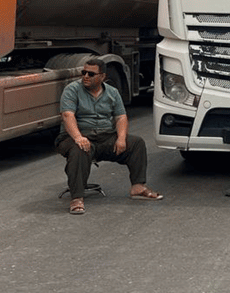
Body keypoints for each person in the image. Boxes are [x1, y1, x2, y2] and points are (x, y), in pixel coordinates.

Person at [56, 58, 163, 215]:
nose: (85, 76)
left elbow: (121, 117)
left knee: (136, 143)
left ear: (102, 77)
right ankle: (77, 197)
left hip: (105, 136)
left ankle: (138, 187)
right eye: (83, 72)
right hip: (76, 136)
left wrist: (121, 138)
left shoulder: (112, 92)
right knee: (79, 150)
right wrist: (78, 137)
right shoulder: (72, 90)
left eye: (91, 74)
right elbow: (67, 115)